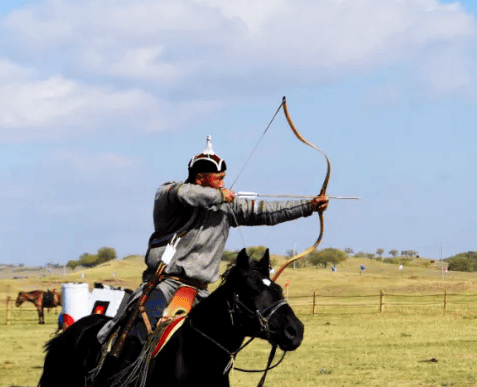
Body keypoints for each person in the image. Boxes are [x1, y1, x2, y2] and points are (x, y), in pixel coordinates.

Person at [99, 136, 328, 346]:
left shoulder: (227, 206)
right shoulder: (169, 195)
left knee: (222, 343)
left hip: (202, 292)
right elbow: (185, 193)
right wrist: (219, 196)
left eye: (224, 179)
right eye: (218, 179)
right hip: (166, 285)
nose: (223, 184)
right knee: (138, 333)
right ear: (200, 178)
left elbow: (267, 212)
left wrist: (309, 206)